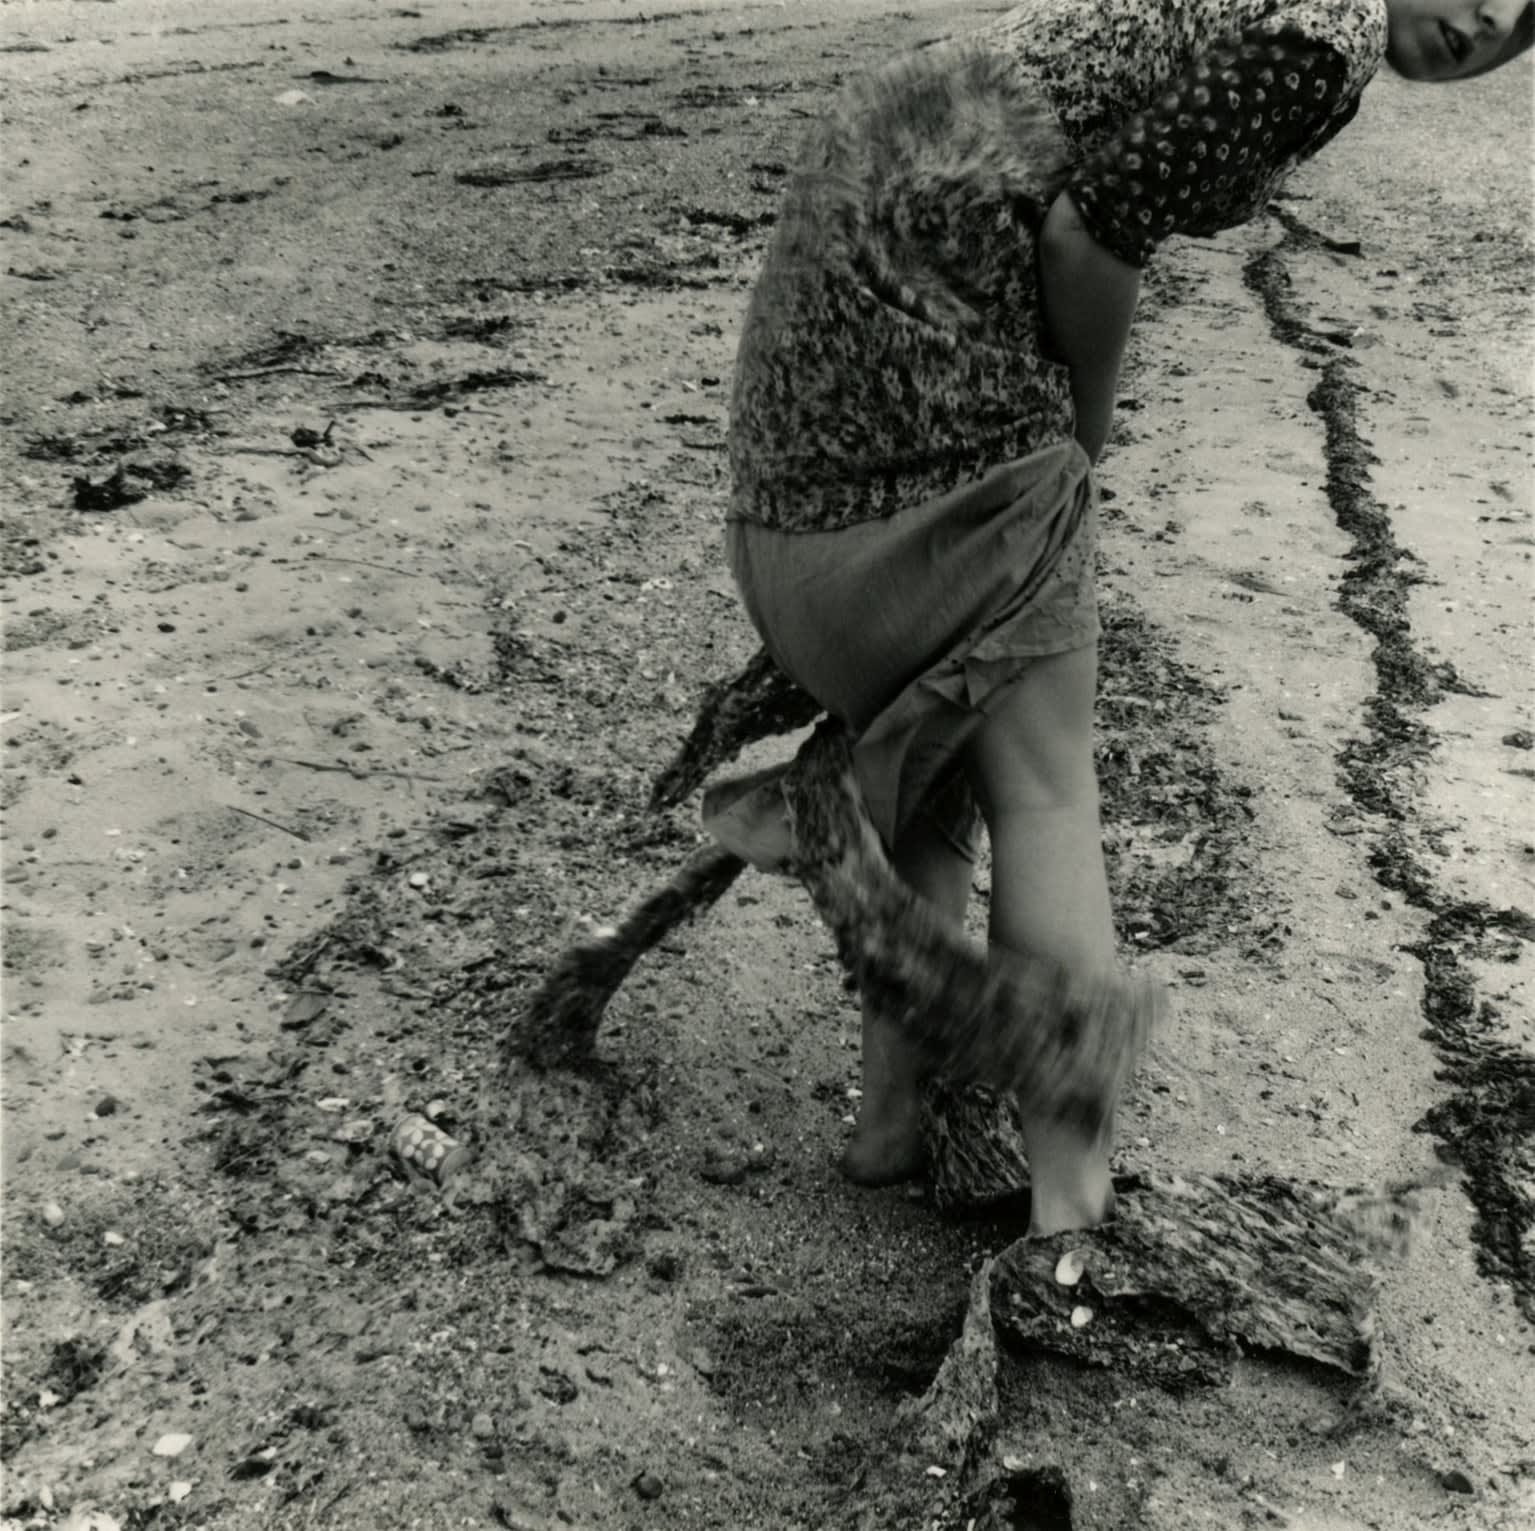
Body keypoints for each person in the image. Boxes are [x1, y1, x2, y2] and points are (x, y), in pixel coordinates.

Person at [716, 0, 1533, 1236]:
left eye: (1518, 24)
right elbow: (1087, 233)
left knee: (932, 739)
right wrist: (1084, 432)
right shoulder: (1325, 36)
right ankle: (1070, 1208)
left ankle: (891, 1129)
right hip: (910, 369)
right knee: (1042, 788)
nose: (1483, 20)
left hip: (807, 422)